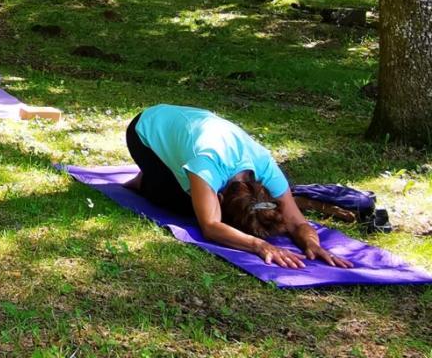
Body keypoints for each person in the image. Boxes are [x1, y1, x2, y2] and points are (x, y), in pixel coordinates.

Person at [126, 104, 352, 269]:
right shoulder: (207, 166)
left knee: (194, 200)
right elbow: (211, 226)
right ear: (220, 200)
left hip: (187, 126)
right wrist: (260, 246)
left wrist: (313, 244)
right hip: (145, 129)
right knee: (186, 208)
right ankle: (143, 181)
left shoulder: (264, 165)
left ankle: (162, 173)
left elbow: (297, 222)